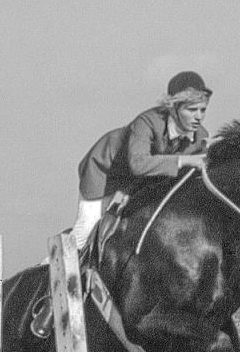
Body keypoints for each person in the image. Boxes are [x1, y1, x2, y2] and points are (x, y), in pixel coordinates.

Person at [71, 71, 212, 249]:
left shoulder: (201, 137)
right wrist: (185, 160)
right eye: (191, 110)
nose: (199, 117)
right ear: (173, 108)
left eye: (203, 109)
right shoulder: (146, 122)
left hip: (134, 182)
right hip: (104, 173)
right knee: (86, 232)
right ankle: (50, 270)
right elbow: (138, 164)